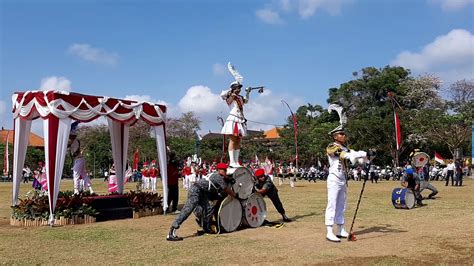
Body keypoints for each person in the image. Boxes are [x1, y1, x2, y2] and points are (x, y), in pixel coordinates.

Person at [167, 163, 238, 241]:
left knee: (210, 206)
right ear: (219, 170)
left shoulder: (214, 174)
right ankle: (172, 231)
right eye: (224, 170)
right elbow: (226, 189)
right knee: (187, 210)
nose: (225, 171)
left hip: (202, 192)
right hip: (196, 191)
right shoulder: (218, 177)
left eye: (226, 170)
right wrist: (234, 195)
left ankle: (205, 227)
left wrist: (227, 178)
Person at [325, 127, 367, 242]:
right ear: (335, 136)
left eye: (344, 134)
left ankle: (340, 229)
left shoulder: (346, 148)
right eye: (341, 134)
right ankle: (329, 231)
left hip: (343, 179)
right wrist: (355, 154)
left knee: (341, 205)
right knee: (332, 204)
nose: (344, 136)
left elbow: (356, 157)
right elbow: (342, 154)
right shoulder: (331, 146)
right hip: (334, 178)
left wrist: (366, 155)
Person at [220, 81, 250, 168]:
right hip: (233, 119)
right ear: (233, 88)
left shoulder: (240, 97)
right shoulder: (230, 95)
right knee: (233, 139)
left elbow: (246, 101)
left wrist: (247, 92)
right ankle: (232, 162)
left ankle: (236, 161)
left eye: (240, 88)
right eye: (237, 88)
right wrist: (232, 92)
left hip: (240, 119)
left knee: (238, 140)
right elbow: (228, 101)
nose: (239, 89)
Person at [68, 126, 94, 194]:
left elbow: (68, 146)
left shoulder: (73, 141)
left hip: (78, 160)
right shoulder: (76, 141)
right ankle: (91, 189)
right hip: (81, 159)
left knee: (75, 175)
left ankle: (76, 190)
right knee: (84, 175)